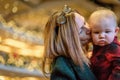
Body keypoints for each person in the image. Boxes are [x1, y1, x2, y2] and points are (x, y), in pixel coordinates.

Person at [42, 5, 97, 80]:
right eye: (80, 30)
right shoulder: (61, 67)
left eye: (84, 22)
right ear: (68, 40)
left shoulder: (84, 56)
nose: (88, 28)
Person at [88, 9, 120, 80]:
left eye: (107, 32)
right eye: (96, 32)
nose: (102, 36)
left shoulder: (114, 48)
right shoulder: (97, 45)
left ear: (115, 31)